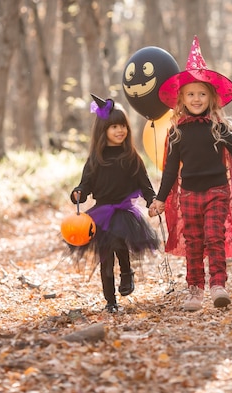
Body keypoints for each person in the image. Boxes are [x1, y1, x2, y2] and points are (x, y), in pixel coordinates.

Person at [149, 36, 232, 312]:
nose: (196, 99)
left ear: (211, 97)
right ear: (181, 98)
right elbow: (170, 169)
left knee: (214, 236)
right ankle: (195, 288)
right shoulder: (177, 132)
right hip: (189, 194)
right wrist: (159, 199)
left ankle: (219, 285)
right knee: (193, 241)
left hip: (218, 191)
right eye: (191, 94)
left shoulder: (219, 128)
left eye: (202, 94)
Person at [68, 95, 160, 313]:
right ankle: (110, 301)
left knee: (119, 242)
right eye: (115, 127)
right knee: (105, 257)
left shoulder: (131, 157)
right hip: (101, 212)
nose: (121, 131)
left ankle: (127, 273)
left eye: (123, 126)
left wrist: (152, 200)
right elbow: (85, 185)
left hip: (124, 210)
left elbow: (144, 184)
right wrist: (78, 193)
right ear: (103, 130)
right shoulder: (94, 160)